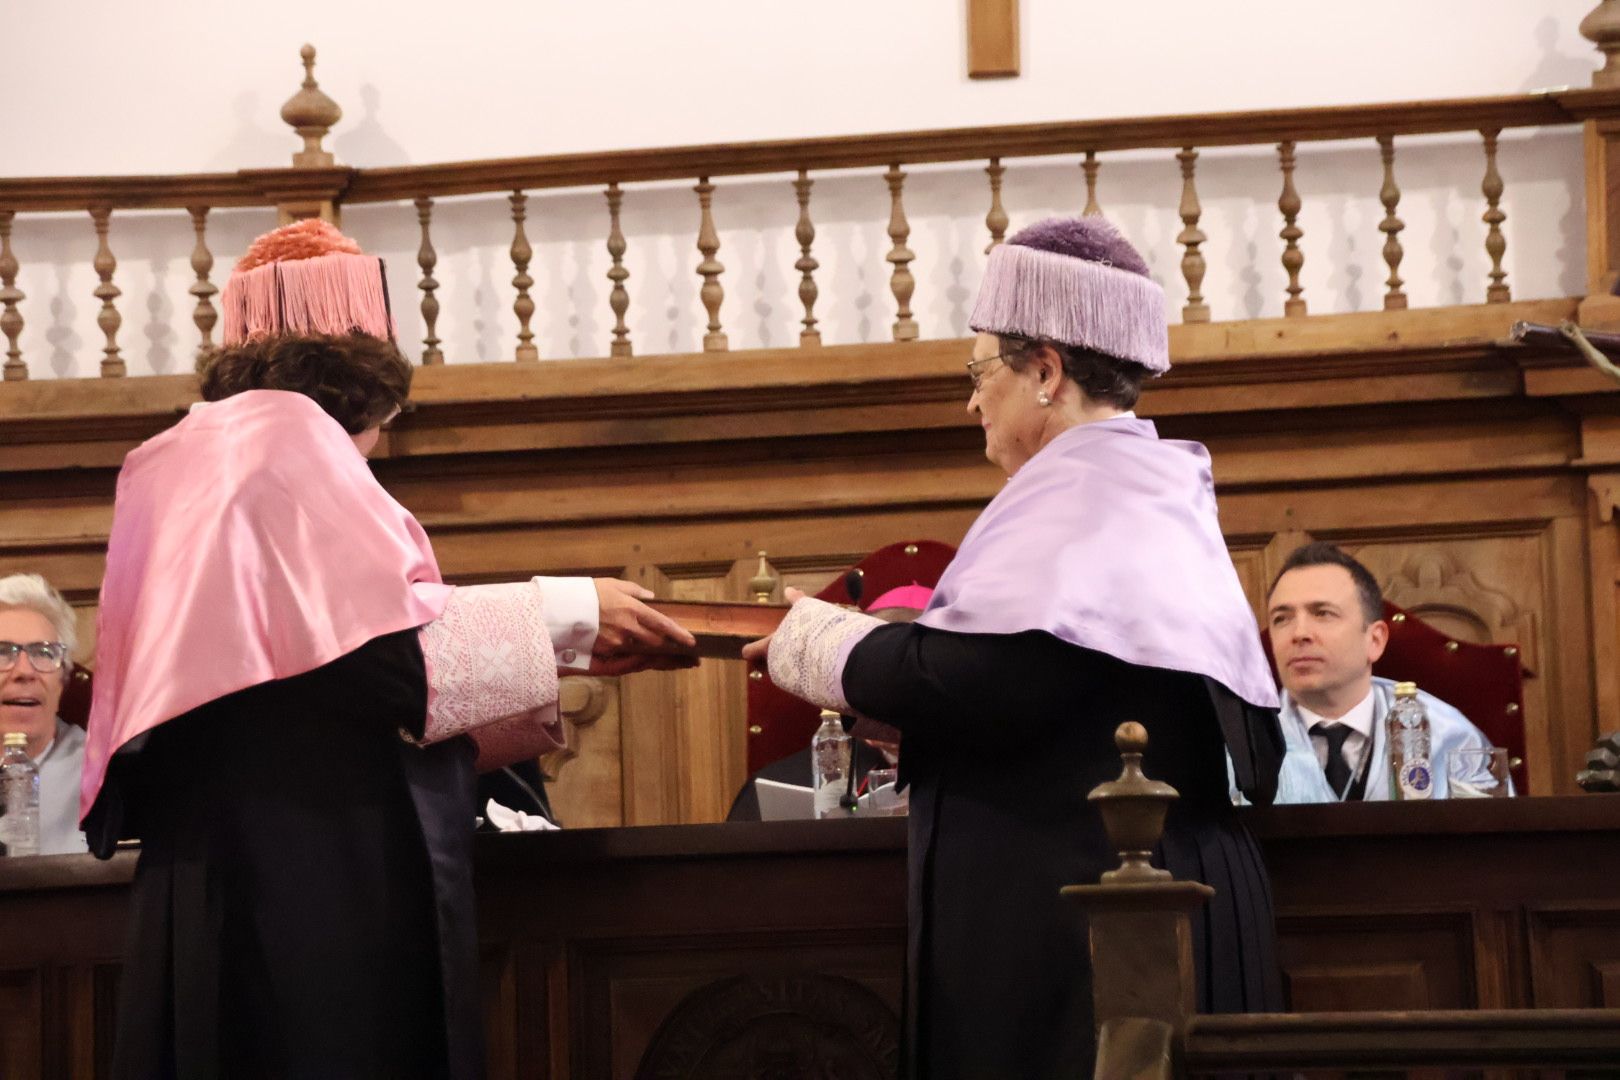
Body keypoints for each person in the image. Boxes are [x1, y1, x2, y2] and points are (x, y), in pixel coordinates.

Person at [83, 219, 694, 1080]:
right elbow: (372, 660)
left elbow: (304, 662)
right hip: (309, 864)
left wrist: (567, 639)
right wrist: (570, 612)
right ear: (365, 380)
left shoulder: (186, 454)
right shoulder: (284, 446)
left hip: (225, 849)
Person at [744, 216, 1287, 1080]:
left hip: (1093, 937)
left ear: (1045, 369)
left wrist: (809, 638)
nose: (971, 399)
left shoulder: (1081, 495)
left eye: (980, 370)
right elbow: (1041, 689)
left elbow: (967, 679)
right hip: (1137, 900)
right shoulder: (1145, 487)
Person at [1265, 541, 1503, 801]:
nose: (1299, 634)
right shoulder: (1240, 747)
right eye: (1282, 619)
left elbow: (1493, 839)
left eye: (1322, 613)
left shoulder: (1449, 737)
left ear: (1375, 640)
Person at [0, 573, 88, 855]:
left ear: (63, 680)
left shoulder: (102, 776)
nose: (25, 671)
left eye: (44, 653)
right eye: (2, 652)